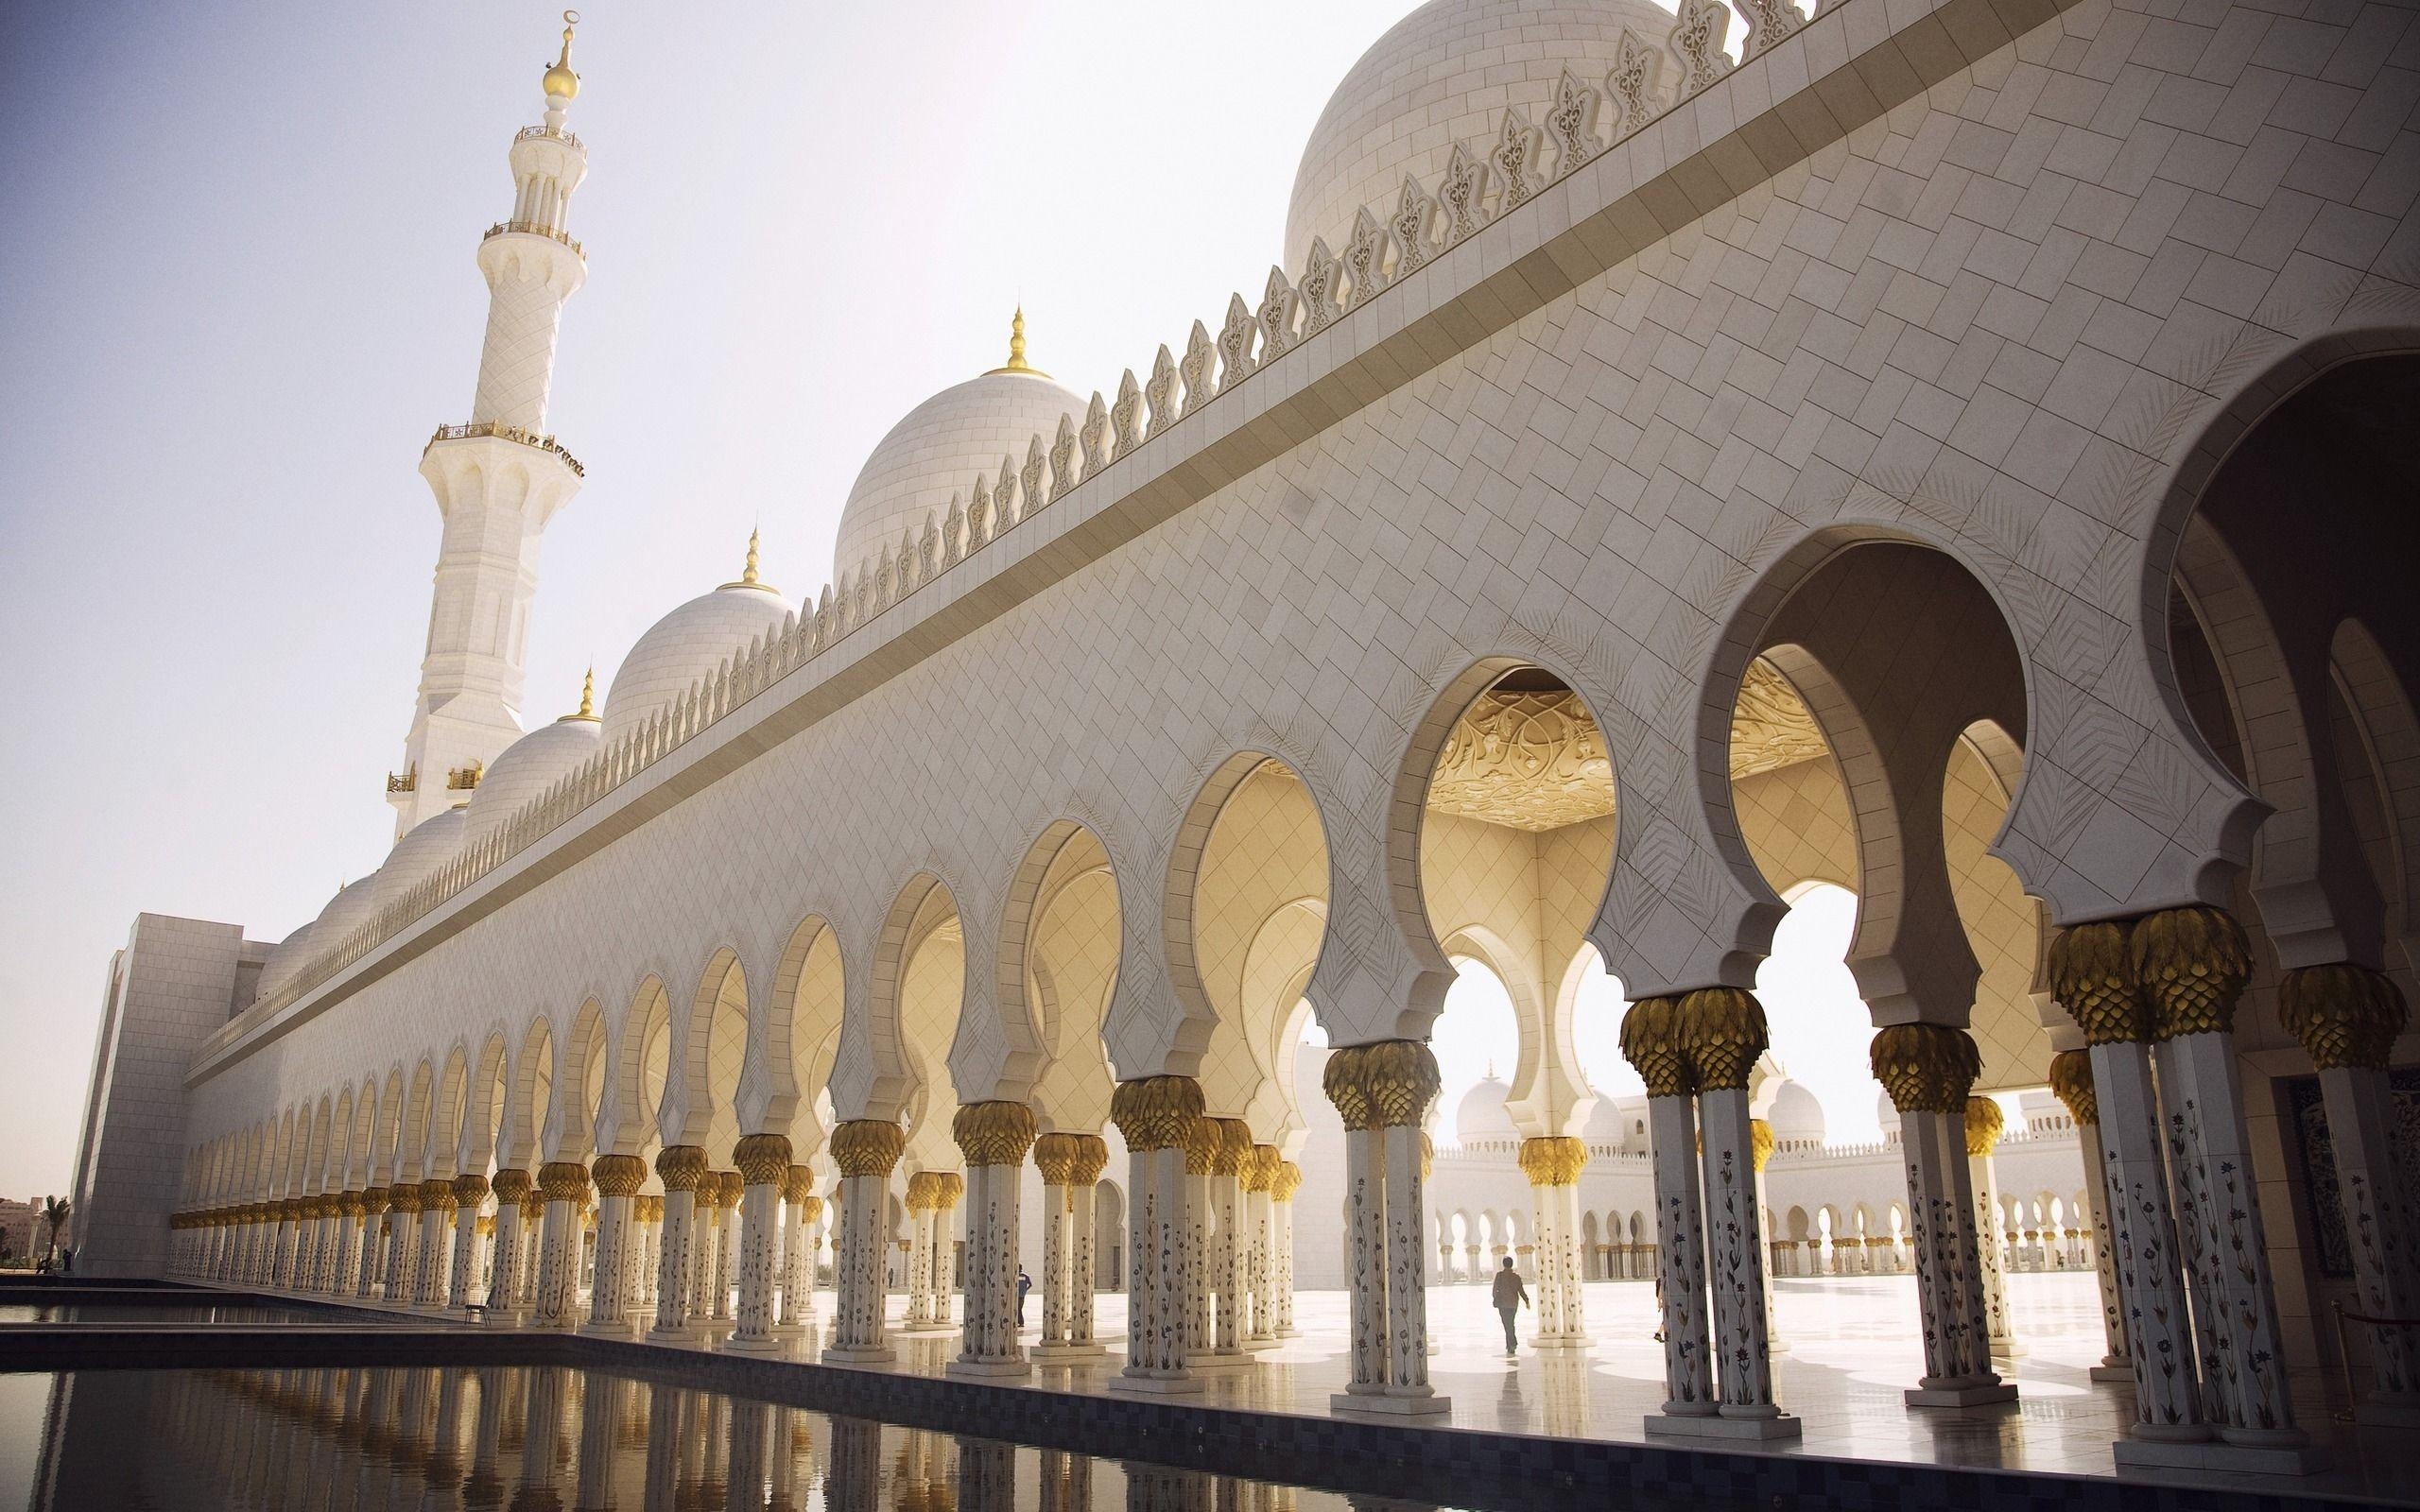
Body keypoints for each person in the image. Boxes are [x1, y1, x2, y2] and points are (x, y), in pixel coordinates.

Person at [1491, 1255, 1528, 1354]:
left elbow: (1494, 1290)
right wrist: (1526, 1301)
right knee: (1510, 1323)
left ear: (1504, 1264)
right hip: (1513, 1304)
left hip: (1503, 1304)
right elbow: (1521, 1291)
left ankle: (1513, 1343)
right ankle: (1510, 1345)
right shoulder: (1516, 1277)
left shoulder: (1500, 1275)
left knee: (1507, 1324)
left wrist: (1496, 1298)